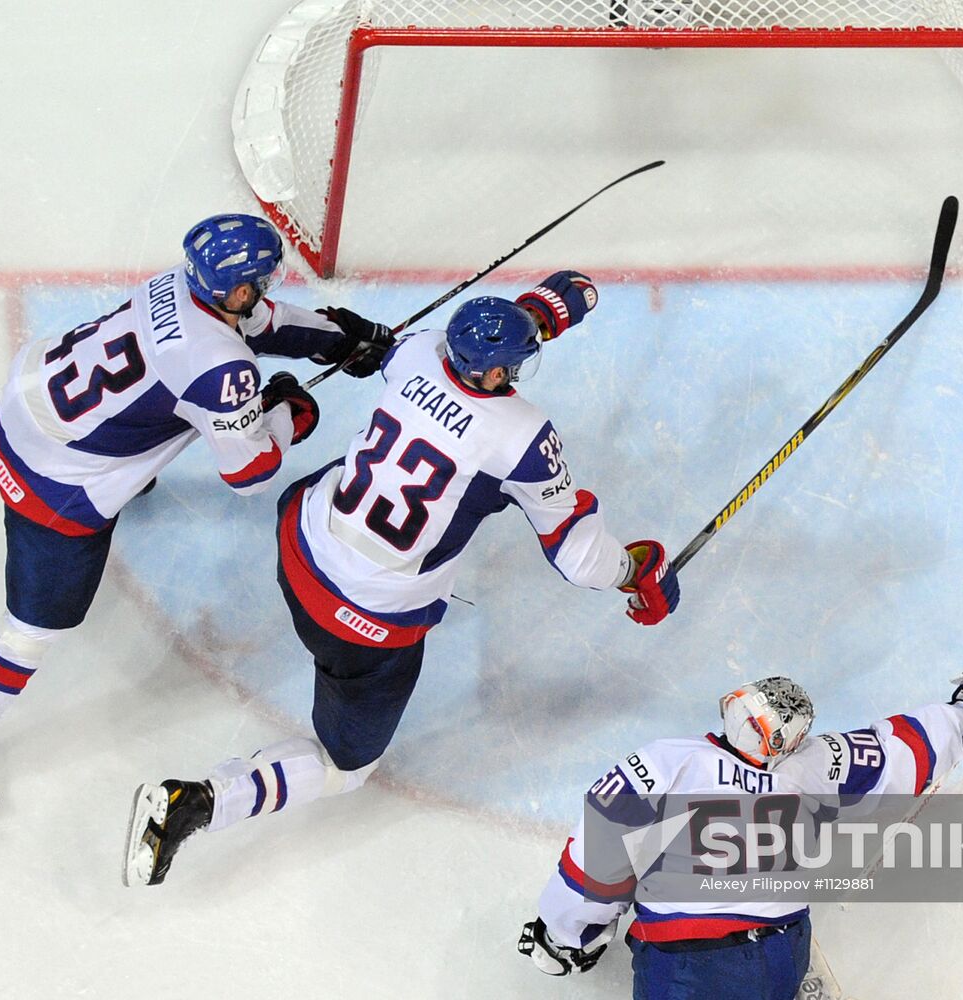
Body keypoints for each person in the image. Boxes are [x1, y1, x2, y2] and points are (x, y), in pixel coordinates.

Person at [123, 271, 682, 886]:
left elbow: (439, 355)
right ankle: (205, 801)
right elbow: (578, 558)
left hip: (297, 547)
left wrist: (531, 317)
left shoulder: (419, 352)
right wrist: (635, 570)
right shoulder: (524, 439)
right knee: (345, 767)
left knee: (358, 473)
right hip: (363, 626)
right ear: (499, 372)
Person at [0, 213, 394, 825]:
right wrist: (288, 414)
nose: (266, 287)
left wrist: (338, 339)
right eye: (260, 280)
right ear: (237, 288)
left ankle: (128, 468)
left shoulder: (179, 283)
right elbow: (250, 472)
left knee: (162, 408)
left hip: (33, 397)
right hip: (54, 482)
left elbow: (260, 323)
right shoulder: (220, 368)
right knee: (34, 627)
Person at [515, 675, 963, 1000]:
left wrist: (565, 937)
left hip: (692, 967)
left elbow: (594, 866)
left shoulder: (666, 761)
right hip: (786, 950)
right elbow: (899, 752)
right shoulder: (814, 763)